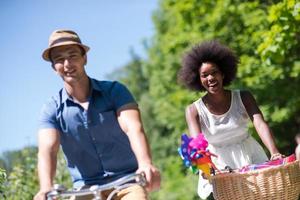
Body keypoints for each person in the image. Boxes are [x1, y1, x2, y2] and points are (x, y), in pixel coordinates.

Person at [34, 29, 160, 200]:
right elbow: (48, 149)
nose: (67, 64)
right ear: (53, 67)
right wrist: (46, 187)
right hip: (85, 188)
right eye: (59, 59)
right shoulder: (52, 109)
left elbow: (133, 128)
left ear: (84, 57)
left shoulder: (115, 91)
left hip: (127, 182)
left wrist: (145, 163)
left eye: (72, 56)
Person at [178, 40, 283, 199]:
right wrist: (209, 170)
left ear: (223, 73)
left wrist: (274, 152)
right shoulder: (193, 110)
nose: (211, 78)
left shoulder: (244, 97)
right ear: (198, 79)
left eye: (214, 72)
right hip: (217, 165)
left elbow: (260, 123)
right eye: (204, 75)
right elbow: (197, 145)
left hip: (250, 156)